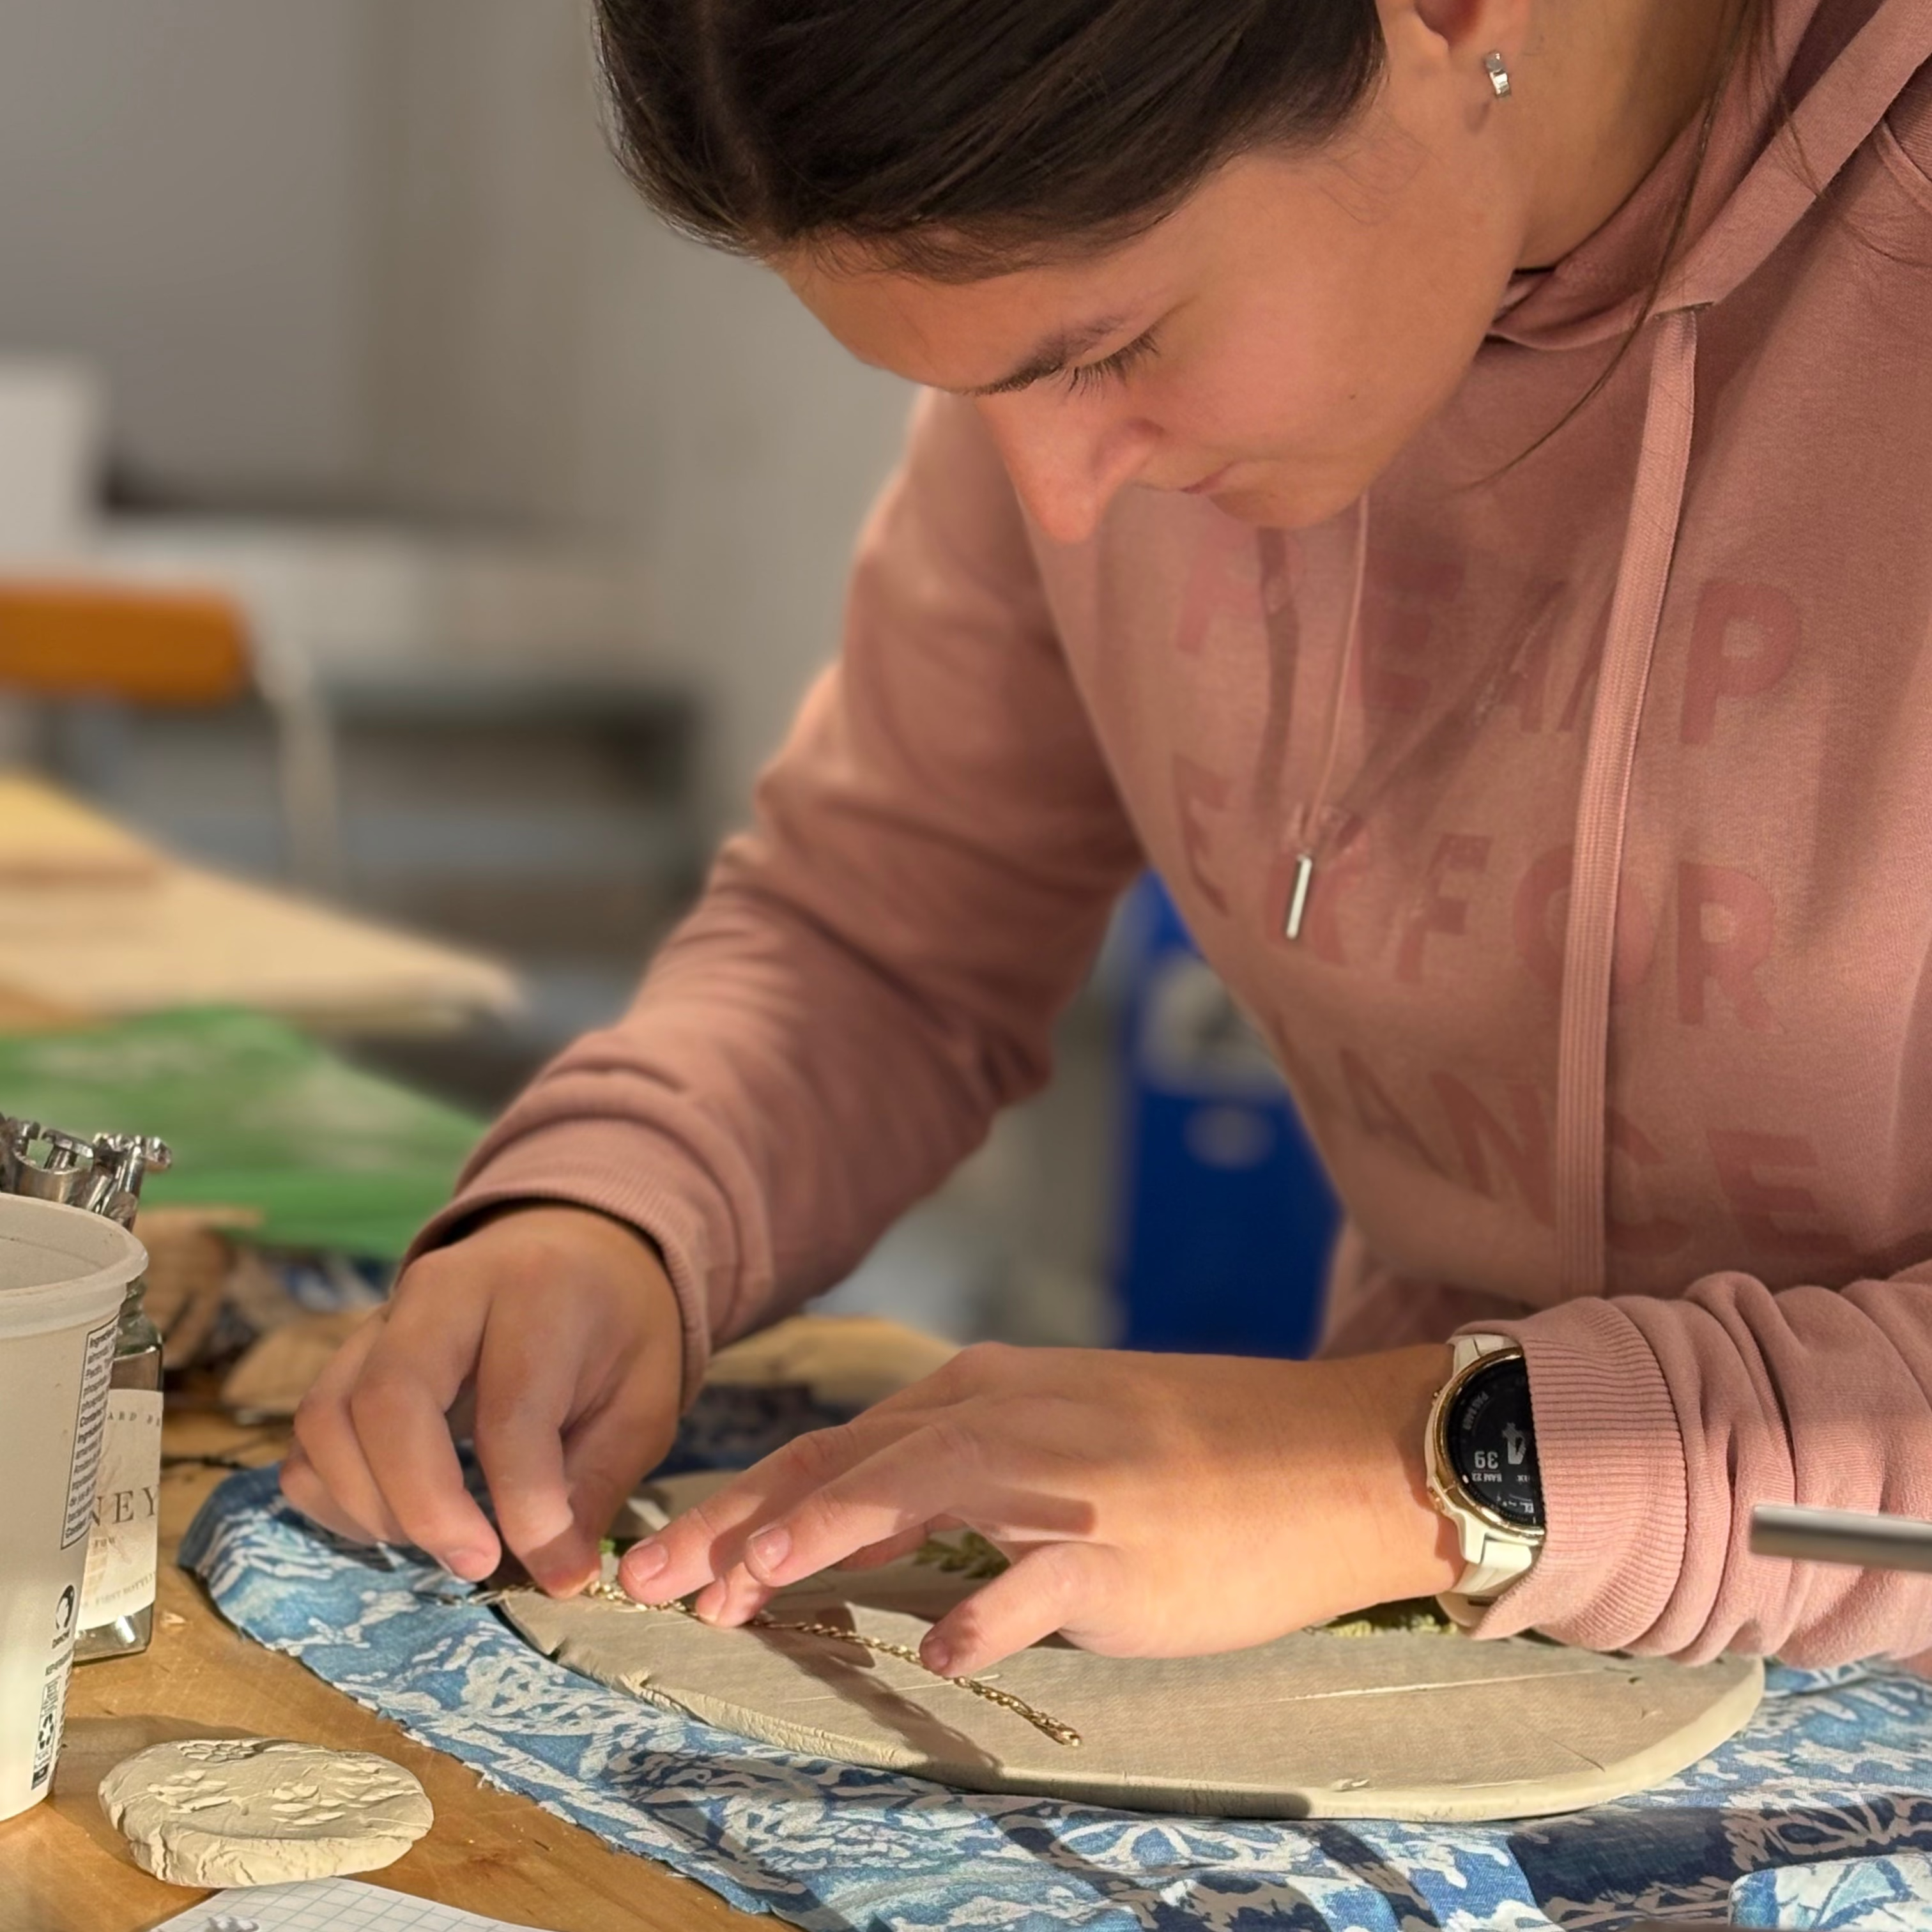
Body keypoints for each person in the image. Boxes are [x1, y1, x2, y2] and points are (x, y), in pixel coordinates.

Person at [284, 0, 1932, 1681]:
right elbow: (884, 931)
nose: (1064, 500)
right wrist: (619, 1210)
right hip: (1445, 1650)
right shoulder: (1082, 277)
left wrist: (1413, 1473)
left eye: (1112, 349)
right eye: (980, 393)